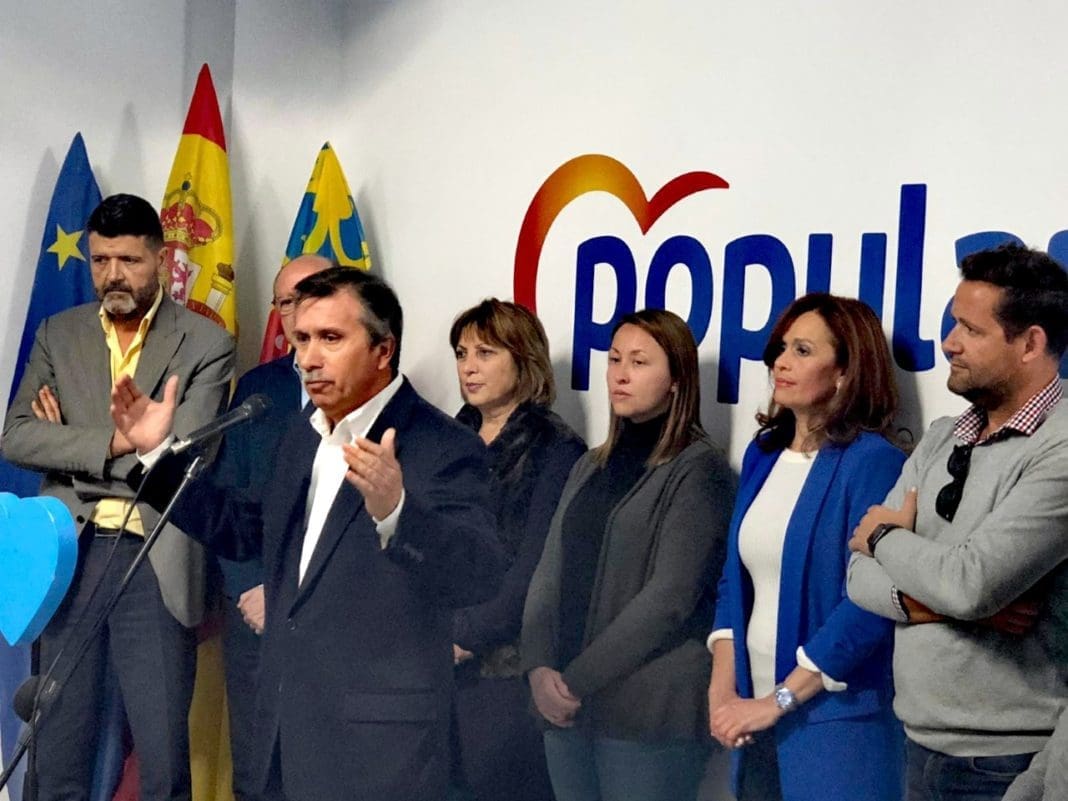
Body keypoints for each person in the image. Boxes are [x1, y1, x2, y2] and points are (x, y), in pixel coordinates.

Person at [110, 267, 503, 801]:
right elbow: (248, 531)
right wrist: (156, 456)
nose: (307, 358)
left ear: (383, 350)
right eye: (301, 339)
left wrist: (396, 512)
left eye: (330, 339)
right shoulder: (303, 435)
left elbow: (476, 574)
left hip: (377, 751)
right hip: (280, 734)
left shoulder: (442, 445)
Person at [1, 193, 235, 801]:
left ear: (161, 259)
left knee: (161, 754)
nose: (113, 275)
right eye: (100, 260)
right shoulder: (60, 332)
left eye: (129, 260)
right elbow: (18, 438)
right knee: (56, 743)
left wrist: (69, 442)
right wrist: (111, 440)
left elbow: (188, 454)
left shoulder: (206, 343)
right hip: (68, 553)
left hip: (153, 552)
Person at [846, 243, 1068, 801]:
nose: (949, 342)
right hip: (917, 745)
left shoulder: (1060, 446)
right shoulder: (943, 435)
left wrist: (883, 533)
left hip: (1011, 762)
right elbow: (856, 576)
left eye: (970, 329)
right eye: (951, 323)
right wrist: (920, 600)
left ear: (1031, 344)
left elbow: (970, 584)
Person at [521, 308, 733, 801]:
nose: (620, 373)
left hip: (644, 715)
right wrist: (537, 666)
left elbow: (670, 599)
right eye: (615, 359)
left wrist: (575, 680)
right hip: (564, 704)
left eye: (639, 362)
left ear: (677, 380)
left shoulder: (699, 470)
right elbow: (548, 571)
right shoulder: (591, 464)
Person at [707, 293, 906, 801]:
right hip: (752, 718)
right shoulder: (763, 453)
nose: (781, 362)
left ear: (844, 372)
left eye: (802, 350)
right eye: (780, 349)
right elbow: (735, 579)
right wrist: (723, 691)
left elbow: (868, 605)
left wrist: (779, 699)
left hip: (832, 726)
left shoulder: (872, 462)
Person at [448, 299, 586, 801]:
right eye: (462, 353)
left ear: (523, 358)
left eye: (485, 352)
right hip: (428, 661)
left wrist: (465, 637)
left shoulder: (555, 448)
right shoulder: (445, 438)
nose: (469, 366)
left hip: (503, 669)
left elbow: (536, 568)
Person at [209, 254, 332, 801]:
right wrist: (249, 586)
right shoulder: (257, 392)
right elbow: (229, 502)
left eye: (310, 295)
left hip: (330, 622)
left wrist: (292, 595)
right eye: (285, 301)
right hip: (255, 612)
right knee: (257, 773)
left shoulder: (377, 397)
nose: (296, 310)